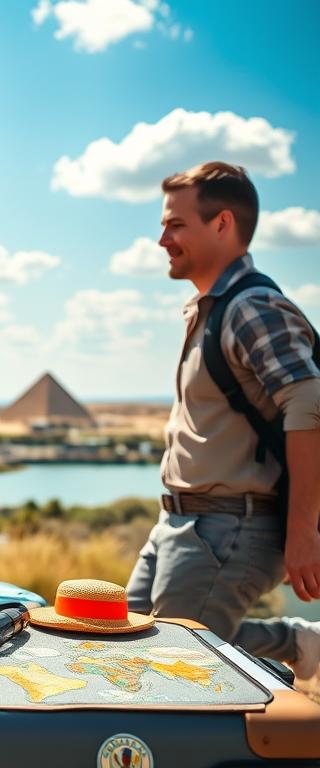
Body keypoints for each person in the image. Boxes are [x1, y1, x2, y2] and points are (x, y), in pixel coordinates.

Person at [125, 162, 320, 680]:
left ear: (222, 224)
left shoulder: (252, 308)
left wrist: (303, 532)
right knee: (129, 641)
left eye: (176, 224)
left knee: (174, 667)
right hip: (183, 523)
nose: (162, 238)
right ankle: (297, 644)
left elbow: (310, 405)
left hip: (229, 526)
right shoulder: (209, 311)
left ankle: (296, 649)